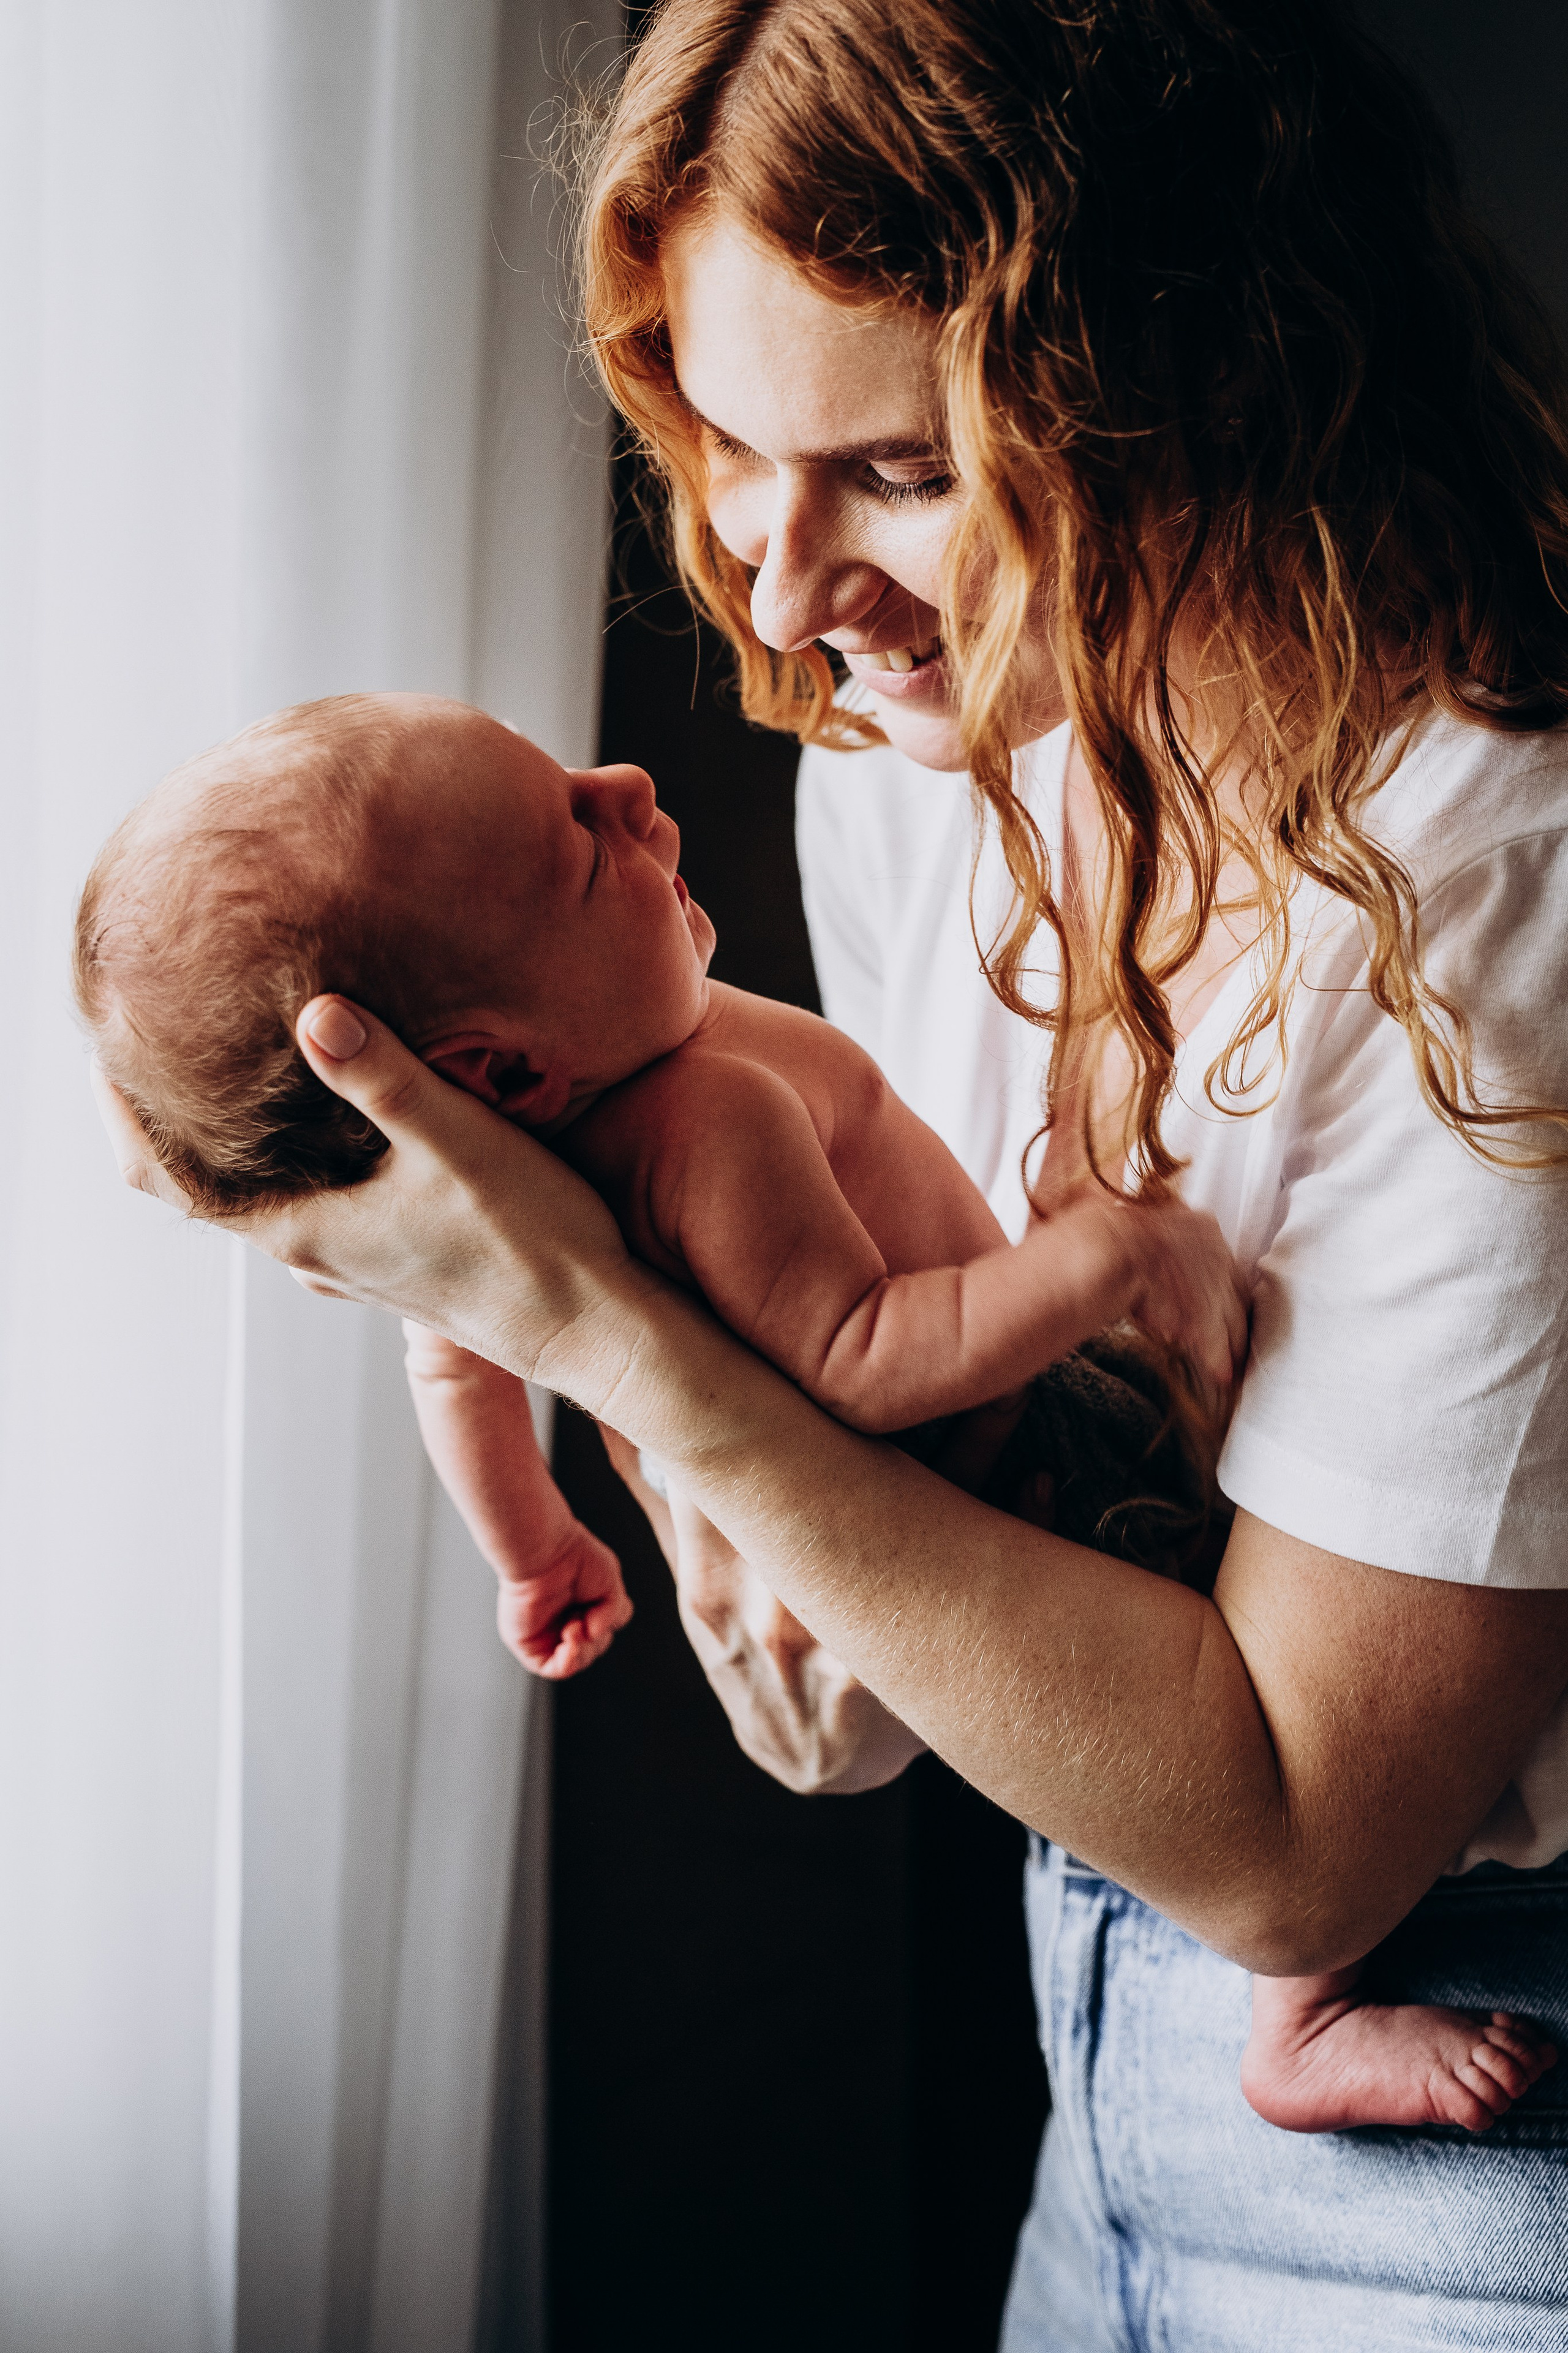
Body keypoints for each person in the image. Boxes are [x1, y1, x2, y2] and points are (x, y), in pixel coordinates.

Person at [95, 1, 1568, 2341]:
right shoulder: (915, 769)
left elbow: (1294, 1847)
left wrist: (614, 1348)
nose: (775, 600)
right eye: (729, 447)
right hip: (1092, 2043)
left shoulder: (1498, 871)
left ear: (1199, 388)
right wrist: (749, 1545)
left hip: (1480, 2128)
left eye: (895, 471)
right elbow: (861, 1667)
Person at [76, 687, 1554, 2137]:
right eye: (579, 846)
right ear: (505, 1067)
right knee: (1237, 1587)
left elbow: (450, 1361)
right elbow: (865, 1352)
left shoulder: (514, 1214)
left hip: (949, 1623)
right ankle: (1301, 2012)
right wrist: (1084, 1262)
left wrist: (532, 1549)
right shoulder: (702, 1117)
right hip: (1025, 1478)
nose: (630, 789)